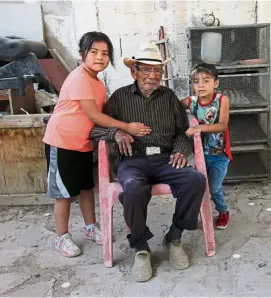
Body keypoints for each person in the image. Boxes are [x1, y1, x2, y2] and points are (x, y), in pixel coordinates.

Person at [89, 42, 206, 282]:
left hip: (165, 158)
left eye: (157, 71)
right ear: (134, 72)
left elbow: (183, 131)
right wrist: (116, 133)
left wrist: (181, 150)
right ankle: (141, 247)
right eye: (146, 70)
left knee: (195, 180)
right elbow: (95, 129)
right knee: (132, 188)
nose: (153, 76)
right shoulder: (120, 97)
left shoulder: (169, 96)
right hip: (133, 160)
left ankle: (174, 236)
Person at [43, 31, 151, 258]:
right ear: (82, 54)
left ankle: (90, 226)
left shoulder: (97, 82)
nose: (100, 57)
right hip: (61, 141)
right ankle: (61, 236)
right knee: (63, 193)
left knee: (85, 188)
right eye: (94, 52)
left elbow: (104, 112)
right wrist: (126, 126)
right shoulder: (80, 77)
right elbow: (94, 115)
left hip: (82, 143)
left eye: (105, 53)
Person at [182, 63, 233, 229]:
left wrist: (199, 127)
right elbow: (173, 105)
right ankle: (197, 214)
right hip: (200, 155)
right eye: (196, 81)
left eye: (206, 80)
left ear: (215, 83)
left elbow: (221, 126)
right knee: (198, 186)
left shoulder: (222, 100)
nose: (201, 85)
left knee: (214, 187)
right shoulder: (191, 101)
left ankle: (223, 211)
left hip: (219, 155)